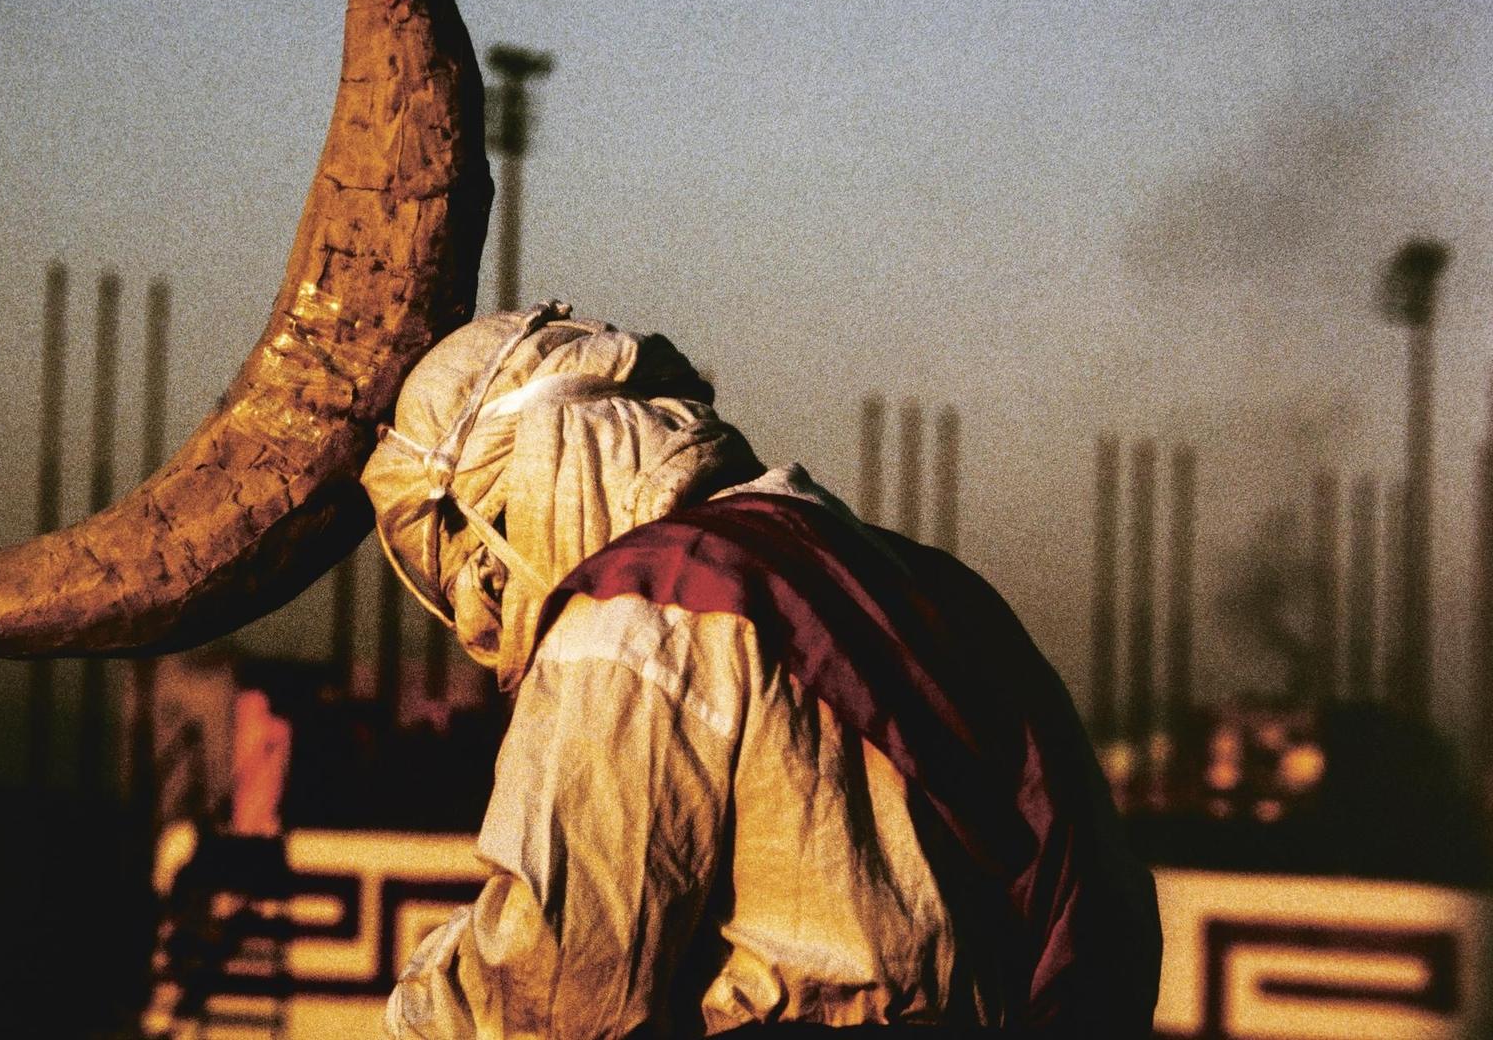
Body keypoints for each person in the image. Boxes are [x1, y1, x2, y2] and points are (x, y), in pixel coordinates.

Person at [360, 302, 1160, 1037]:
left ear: (537, 475)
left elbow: (556, 985)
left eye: (484, 562)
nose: (484, 621)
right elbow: (1107, 921)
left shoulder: (644, 607)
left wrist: (421, 1003)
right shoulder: (941, 590)